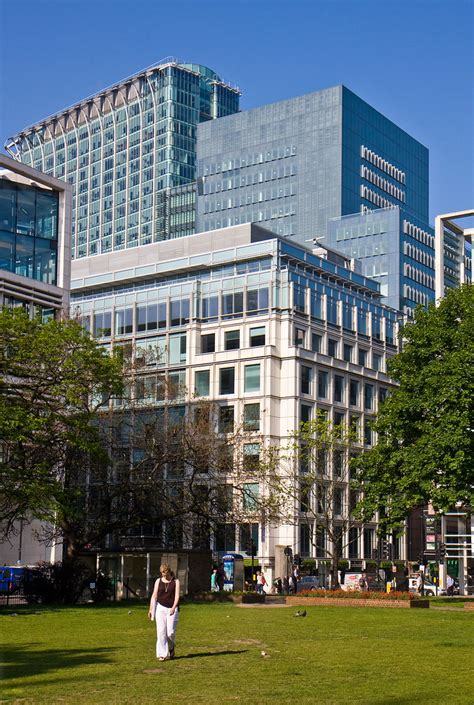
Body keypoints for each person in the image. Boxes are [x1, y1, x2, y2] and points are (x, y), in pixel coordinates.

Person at [148, 563, 180, 661]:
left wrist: (174, 607)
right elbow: (154, 596)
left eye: (165, 573)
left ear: (169, 571)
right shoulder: (158, 581)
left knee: (170, 632)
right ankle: (162, 654)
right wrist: (150, 609)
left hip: (172, 608)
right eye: (162, 573)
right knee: (161, 631)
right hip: (160, 608)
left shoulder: (176, 581)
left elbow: (177, 596)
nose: (164, 575)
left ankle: (171, 648)